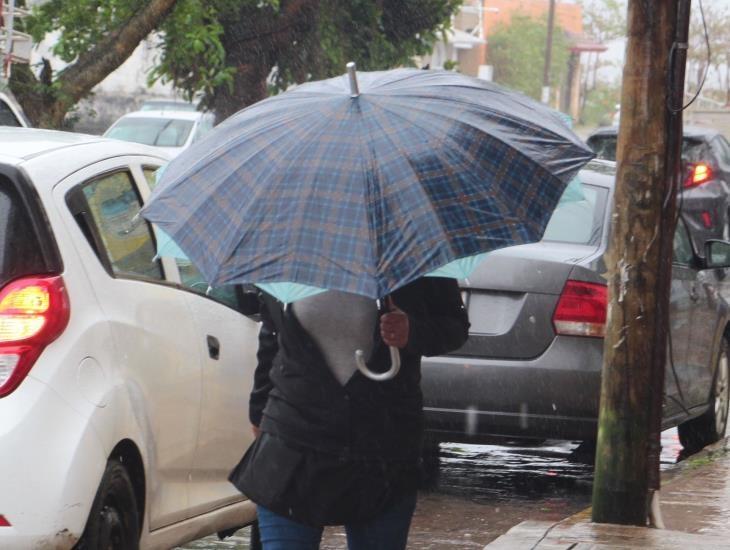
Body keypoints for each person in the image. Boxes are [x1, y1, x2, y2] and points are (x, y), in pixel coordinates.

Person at [229, 277, 469, 550]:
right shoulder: (287, 252)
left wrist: (412, 331)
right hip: (291, 444)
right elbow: (272, 335)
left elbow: (455, 327)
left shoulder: (412, 258)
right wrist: (259, 412)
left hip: (383, 448)